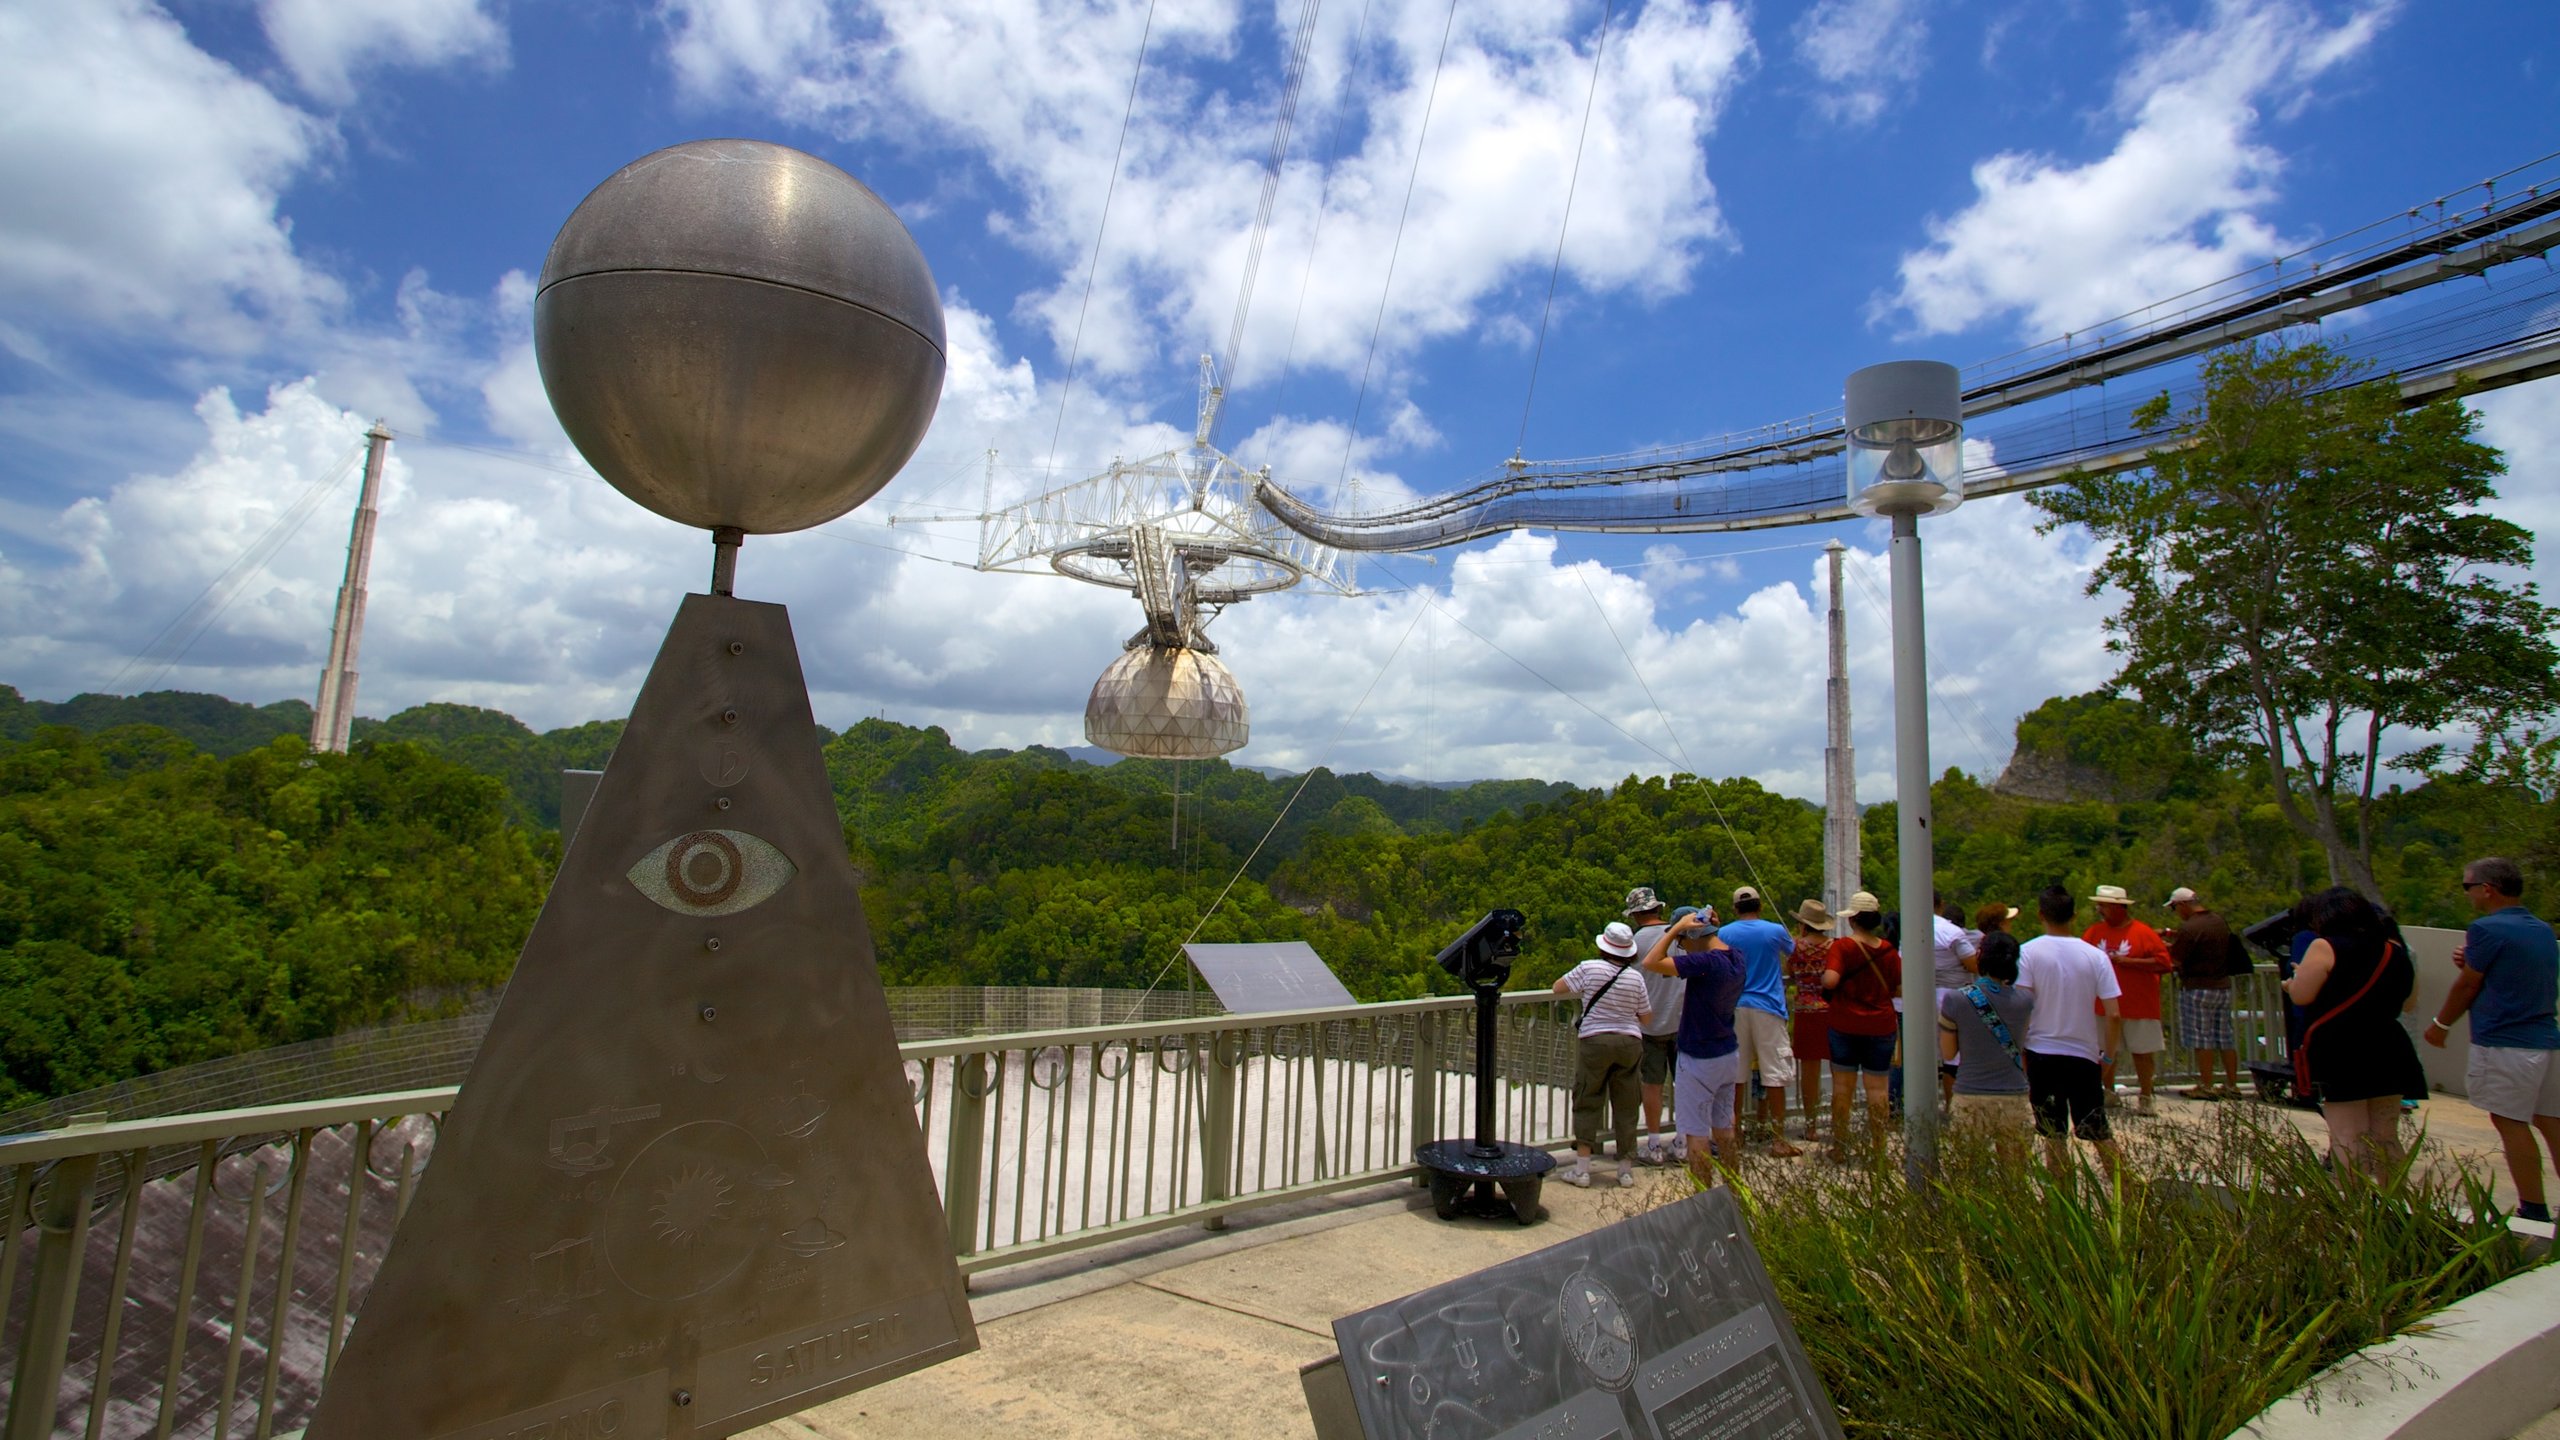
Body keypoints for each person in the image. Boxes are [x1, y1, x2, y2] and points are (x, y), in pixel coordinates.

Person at [2423, 857, 2560, 1222]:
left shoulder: (2485, 930)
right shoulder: (2541, 929)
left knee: (2510, 1121)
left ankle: (2533, 1208)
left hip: (2504, 1042)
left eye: (2467, 886)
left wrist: (2441, 1023)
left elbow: (2469, 983)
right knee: (2550, 1121)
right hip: (2545, 1039)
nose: (2467, 894)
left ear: (2488, 889)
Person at [2283, 886, 2426, 1179]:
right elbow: (2409, 1001)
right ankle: (2395, 1205)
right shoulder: (2393, 950)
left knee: (2348, 1135)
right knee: (2386, 1136)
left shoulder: (2325, 947)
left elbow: (2302, 995)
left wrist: (2292, 982)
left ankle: (2354, 1207)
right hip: (2388, 1045)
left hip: (2342, 1049)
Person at [2017, 885, 2125, 1179]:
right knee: (2098, 1131)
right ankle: (2128, 1193)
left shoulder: (2027, 952)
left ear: (2041, 914)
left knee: (2054, 1135)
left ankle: (2062, 1204)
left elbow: (2023, 1007)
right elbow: (2113, 1014)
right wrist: (2109, 1057)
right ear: (2074, 916)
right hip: (2084, 1054)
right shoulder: (2096, 956)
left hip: (2042, 1052)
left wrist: (2021, 1051)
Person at [1642, 911, 1746, 1188]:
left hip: (1698, 1057)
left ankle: (1704, 1197)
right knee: (1724, 1129)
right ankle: (1733, 1191)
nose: (1682, 947)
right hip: (1727, 1052)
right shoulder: (1736, 957)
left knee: (1696, 1133)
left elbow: (1651, 962)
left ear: (1690, 935)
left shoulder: (1706, 963)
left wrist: (1676, 928)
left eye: (1682, 941)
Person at [1553, 921, 1652, 1187]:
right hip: (1630, 1042)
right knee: (1627, 1105)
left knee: (1588, 1099)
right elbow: (1647, 1016)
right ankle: (1625, 1170)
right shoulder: (1635, 977)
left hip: (1595, 1041)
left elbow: (1558, 987)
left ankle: (1583, 1170)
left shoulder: (1590, 967)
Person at [1939, 921, 2035, 1164]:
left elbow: (1948, 1053)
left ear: (1980, 956)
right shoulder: (2025, 1001)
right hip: (2014, 1095)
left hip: (1971, 1094)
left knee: (1968, 1177)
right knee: (2014, 1179)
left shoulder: (1956, 999)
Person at [1718, 886, 1803, 1157]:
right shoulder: (1775, 931)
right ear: (1760, 906)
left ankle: (1735, 1133)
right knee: (1775, 1074)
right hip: (1769, 1006)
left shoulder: (1725, 934)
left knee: (1736, 1074)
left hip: (1736, 1005)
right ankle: (1778, 1139)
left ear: (1735, 908)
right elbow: (1796, 956)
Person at [1819, 892, 1900, 1164]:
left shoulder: (1843, 947)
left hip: (1845, 1023)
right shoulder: (1888, 950)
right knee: (1878, 1090)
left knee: (1843, 1087)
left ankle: (1840, 1146)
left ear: (1852, 919)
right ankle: (1879, 1148)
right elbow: (1898, 987)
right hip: (1881, 1024)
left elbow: (1830, 981)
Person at [2084, 884, 2174, 1114]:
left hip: (2139, 1005)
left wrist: (2129, 963)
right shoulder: (2094, 932)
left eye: (2103, 905)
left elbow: (2164, 963)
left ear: (2118, 907)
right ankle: (2108, 1091)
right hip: (2103, 1005)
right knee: (2105, 1052)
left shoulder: (2143, 933)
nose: (2099, 910)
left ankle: (2146, 1095)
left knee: (2143, 1053)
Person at [2167, 887, 2250, 1100]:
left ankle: (2206, 1084)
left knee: (2201, 1038)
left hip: (2197, 988)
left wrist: (2162, 947)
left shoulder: (2189, 928)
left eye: (2175, 907)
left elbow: (2176, 959)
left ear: (2183, 904)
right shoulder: (2217, 921)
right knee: (2225, 1037)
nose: (2176, 912)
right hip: (2221, 987)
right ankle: (2232, 1084)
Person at [1623, 887, 1683, 1165]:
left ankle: (1654, 1143)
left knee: (1652, 1084)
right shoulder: (1679, 935)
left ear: (1635, 914)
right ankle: (1683, 1141)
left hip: (1648, 1024)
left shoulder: (1634, 943)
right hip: (1682, 1020)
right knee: (1684, 1082)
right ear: (1658, 908)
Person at [1788, 899, 1835, 1145]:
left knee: (1809, 1071)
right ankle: (1840, 1120)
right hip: (1831, 1010)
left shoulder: (1797, 947)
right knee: (1840, 1069)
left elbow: (1791, 970)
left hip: (1806, 1011)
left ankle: (1811, 1124)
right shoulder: (1834, 947)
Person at [1928, 891, 1980, 1109]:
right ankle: (1955, 1108)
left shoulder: (1909, 927)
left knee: (1933, 1057)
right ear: (1941, 904)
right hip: (1952, 995)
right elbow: (1973, 965)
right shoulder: (1950, 931)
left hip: (1924, 996)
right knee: (1954, 1059)